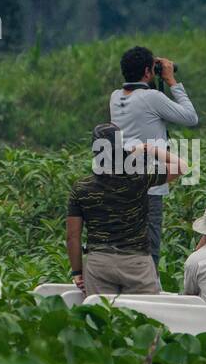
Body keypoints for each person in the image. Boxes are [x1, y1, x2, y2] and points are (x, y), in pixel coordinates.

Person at [66, 123, 187, 296]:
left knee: (103, 318)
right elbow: (181, 166)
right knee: (144, 317)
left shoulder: (82, 187)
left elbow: (72, 236)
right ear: (121, 145)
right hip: (137, 262)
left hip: (99, 264)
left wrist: (77, 272)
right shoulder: (138, 176)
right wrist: (149, 149)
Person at [109, 45, 199, 267]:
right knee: (149, 252)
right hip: (150, 188)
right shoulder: (151, 98)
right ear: (148, 72)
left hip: (120, 185)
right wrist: (171, 81)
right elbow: (191, 117)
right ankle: (148, 292)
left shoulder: (115, 97)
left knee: (125, 248)